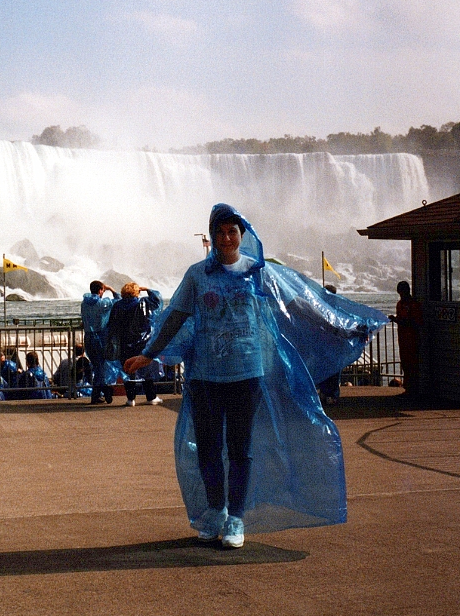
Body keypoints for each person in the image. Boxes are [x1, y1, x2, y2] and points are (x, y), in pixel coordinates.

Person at [125, 203, 387, 549]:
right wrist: (149, 353)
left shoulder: (258, 272)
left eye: (232, 232)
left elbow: (302, 304)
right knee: (208, 449)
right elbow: (175, 316)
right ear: (213, 236)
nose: (226, 238)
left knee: (240, 449)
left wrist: (347, 327)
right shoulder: (197, 275)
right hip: (204, 375)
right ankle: (215, 510)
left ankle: (236, 517)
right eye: (220, 232)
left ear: (242, 234)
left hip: (246, 373)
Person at [108, 282, 163, 406]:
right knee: (145, 369)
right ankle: (151, 396)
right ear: (136, 292)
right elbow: (157, 300)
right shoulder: (143, 303)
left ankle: (130, 399)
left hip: (124, 342)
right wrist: (148, 289)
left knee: (128, 369)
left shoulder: (117, 306)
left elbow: (112, 325)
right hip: (142, 342)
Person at [81, 280, 119, 404]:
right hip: (100, 338)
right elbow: (118, 300)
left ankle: (98, 393)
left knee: (97, 366)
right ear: (101, 290)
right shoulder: (102, 303)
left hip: (88, 337)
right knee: (100, 366)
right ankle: (102, 391)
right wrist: (111, 289)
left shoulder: (84, 303)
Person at [392, 280, 423, 398]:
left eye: (402, 293)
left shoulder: (414, 305)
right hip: (403, 339)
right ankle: (408, 388)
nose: (401, 296)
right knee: (405, 364)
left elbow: (416, 322)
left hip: (412, 338)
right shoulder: (400, 304)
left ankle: (413, 389)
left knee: (412, 364)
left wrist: (397, 320)